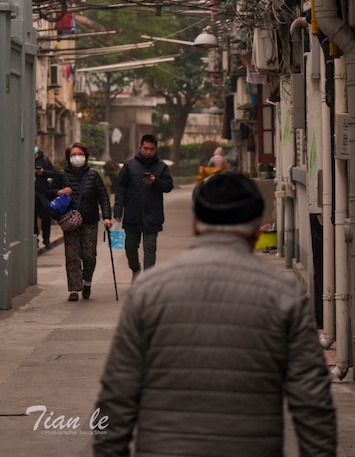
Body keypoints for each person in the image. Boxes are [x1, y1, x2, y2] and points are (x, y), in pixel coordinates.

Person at [94, 172, 337, 457]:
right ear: (257, 229)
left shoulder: (148, 291)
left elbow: (117, 395)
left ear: (195, 224)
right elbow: (312, 402)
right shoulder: (283, 294)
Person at [56, 141, 112, 301]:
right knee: (72, 256)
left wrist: (107, 217)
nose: (77, 157)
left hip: (90, 221)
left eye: (80, 154)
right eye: (73, 155)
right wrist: (60, 191)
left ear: (85, 157)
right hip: (70, 222)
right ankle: (74, 289)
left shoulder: (93, 175)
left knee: (89, 255)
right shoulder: (62, 175)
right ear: (68, 157)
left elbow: (103, 197)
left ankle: (87, 283)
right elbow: (49, 192)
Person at [114, 133, 173, 277]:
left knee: (150, 248)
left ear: (156, 149)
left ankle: (147, 279)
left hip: (152, 214)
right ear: (140, 147)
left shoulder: (161, 167)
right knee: (130, 247)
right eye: (146, 148)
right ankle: (135, 268)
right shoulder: (130, 165)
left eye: (151, 149)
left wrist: (155, 181)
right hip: (132, 214)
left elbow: (168, 186)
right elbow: (120, 187)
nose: (148, 152)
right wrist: (118, 209)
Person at [34, 147, 61, 250]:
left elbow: (54, 173)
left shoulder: (44, 160)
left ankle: (46, 239)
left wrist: (43, 172)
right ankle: (34, 239)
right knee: (32, 219)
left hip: (43, 195)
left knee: (46, 218)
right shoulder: (26, 159)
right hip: (31, 195)